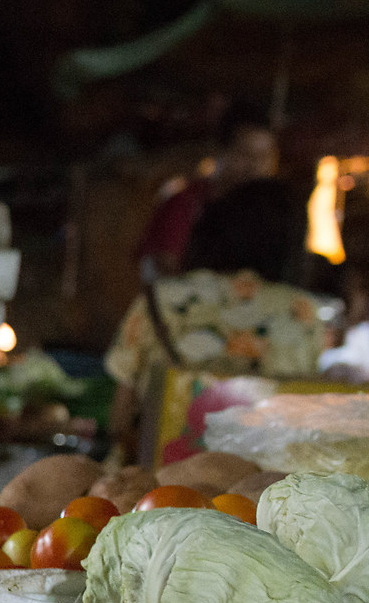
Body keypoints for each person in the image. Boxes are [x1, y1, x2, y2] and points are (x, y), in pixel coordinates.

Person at [105, 176, 334, 464]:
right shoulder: (303, 312)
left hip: (154, 484)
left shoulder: (159, 299)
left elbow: (119, 419)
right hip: (258, 491)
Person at [136, 107, 279, 282]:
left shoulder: (267, 213)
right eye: (245, 155)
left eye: (264, 157)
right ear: (220, 151)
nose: (255, 167)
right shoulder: (186, 202)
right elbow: (167, 264)